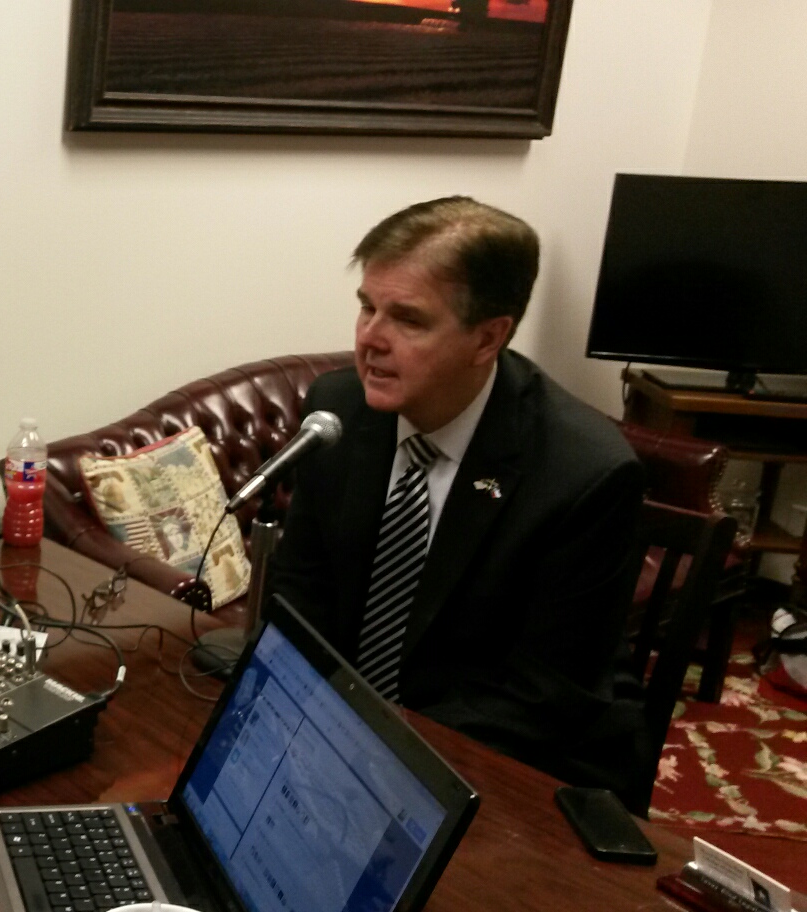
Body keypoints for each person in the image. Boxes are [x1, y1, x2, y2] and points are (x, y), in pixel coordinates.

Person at [268, 196, 649, 796]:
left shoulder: (584, 474)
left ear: (488, 338)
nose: (370, 339)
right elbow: (301, 594)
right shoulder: (338, 410)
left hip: (513, 762)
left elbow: (542, 696)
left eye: (408, 320)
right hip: (350, 742)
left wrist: (376, 759)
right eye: (367, 307)